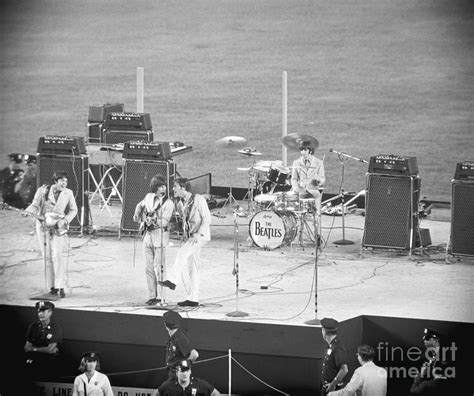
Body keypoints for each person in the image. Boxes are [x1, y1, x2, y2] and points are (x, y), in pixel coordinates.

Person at [159, 178, 212, 307]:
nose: (173, 189)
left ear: (183, 188)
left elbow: (207, 219)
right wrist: (174, 227)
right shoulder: (180, 203)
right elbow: (186, 222)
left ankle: (172, 281)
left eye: (175, 186)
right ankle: (193, 299)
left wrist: (198, 234)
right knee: (192, 268)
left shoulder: (198, 199)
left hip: (200, 236)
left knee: (182, 253)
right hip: (191, 237)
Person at [25, 170, 78, 298]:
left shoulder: (68, 193)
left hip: (57, 227)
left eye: (66, 181)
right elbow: (34, 205)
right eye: (61, 181)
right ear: (55, 181)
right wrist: (27, 211)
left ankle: (60, 286)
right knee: (47, 257)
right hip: (42, 226)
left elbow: (73, 209)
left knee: (57, 255)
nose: (64, 183)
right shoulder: (42, 190)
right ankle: (51, 287)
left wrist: (65, 220)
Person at [133, 175, 175, 306]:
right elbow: (140, 205)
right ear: (155, 188)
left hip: (160, 237)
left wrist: (155, 220)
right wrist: (137, 214)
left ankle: (163, 298)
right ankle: (152, 296)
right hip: (148, 236)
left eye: (164, 186)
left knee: (160, 268)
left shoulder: (169, 203)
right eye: (160, 186)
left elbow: (165, 221)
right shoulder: (149, 197)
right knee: (148, 268)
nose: (163, 189)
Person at [24, 301, 63, 383]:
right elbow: (27, 348)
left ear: (50, 313)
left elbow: (50, 350)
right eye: (39, 311)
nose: (41, 314)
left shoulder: (56, 328)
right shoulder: (33, 327)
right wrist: (41, 349)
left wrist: (33, 349)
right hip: (33, 362)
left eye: (43, 311)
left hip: (48, 364)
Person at [410, 328, 449, 395]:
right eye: (424, 338)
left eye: (428, 338)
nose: (424, 340)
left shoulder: (447, 357)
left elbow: (414, 390)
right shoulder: (428, 358)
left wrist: (420, 376)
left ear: (436, 340)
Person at [290, 139, 325, 213]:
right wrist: (296, 188)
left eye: (305, 150)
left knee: (316, 196)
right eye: (301, 150)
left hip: (313, 190)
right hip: (301, 190)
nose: (302, 152)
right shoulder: (296, 163)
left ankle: (317, 218)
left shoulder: (319, 163)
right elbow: (294, 179)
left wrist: (319, 181)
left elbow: (322, 178)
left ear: (310, 151)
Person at [153, 359, 221, 396]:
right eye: (182, 371)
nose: (185, 374)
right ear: (176, 372)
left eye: (187, 370)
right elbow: (156, 393)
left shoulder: (199, 384)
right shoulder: (168, 385)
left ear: (190, 371)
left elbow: (216, 394)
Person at [163, 310, 199, 378]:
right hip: (172, 373)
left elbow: (195, 354)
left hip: (178, 375)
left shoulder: (179, 339)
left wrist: (184, 366)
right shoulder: (172, 337)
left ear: (165, 325)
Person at [321, 317, 349, 395]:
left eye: (322, 329)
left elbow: (344, 370)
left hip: (334, 390)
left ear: (324, 331)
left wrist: (333, 384)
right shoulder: (331, 345)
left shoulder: (337, 347)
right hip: (327, 387)